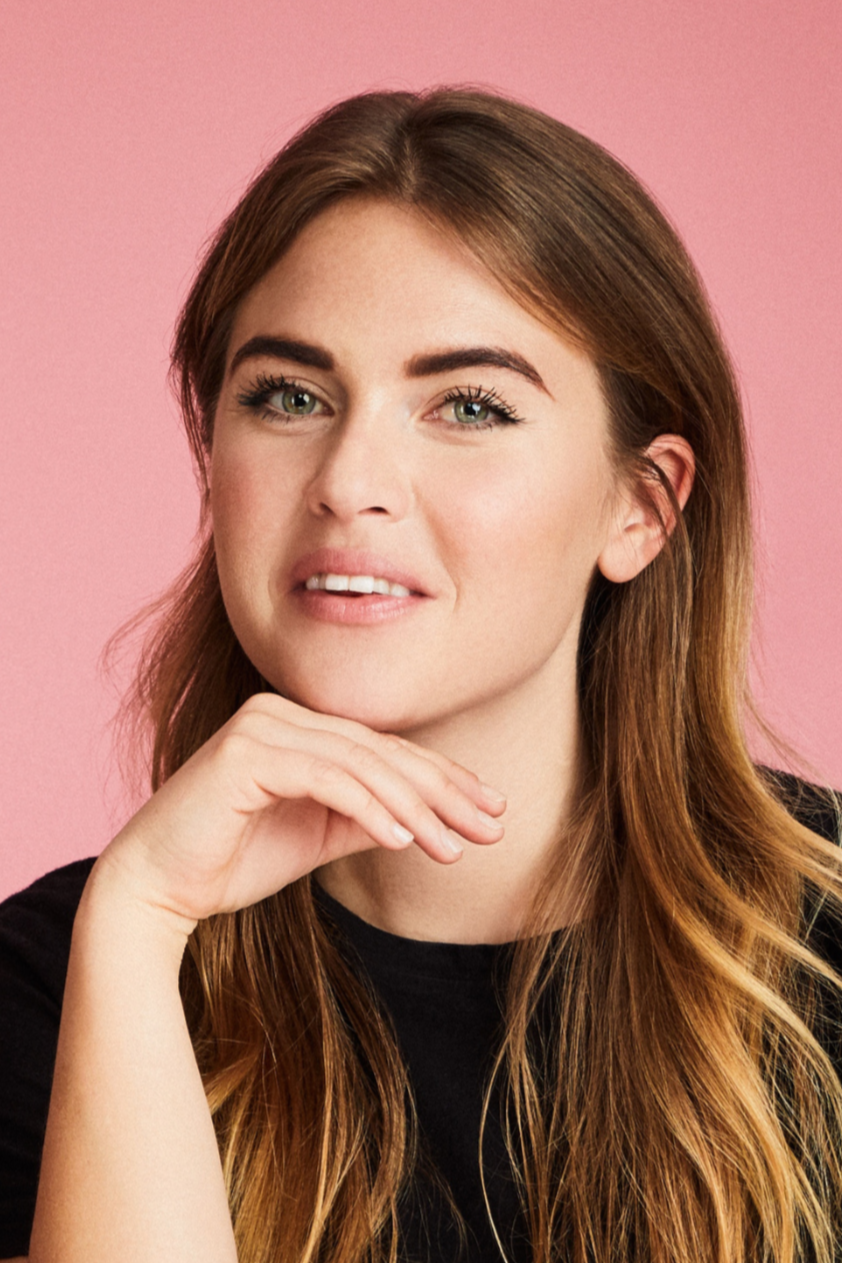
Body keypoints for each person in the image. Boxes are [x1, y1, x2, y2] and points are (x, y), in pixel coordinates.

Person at [1, 86, 841, 1263]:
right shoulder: (66, 972)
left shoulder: (828, 942)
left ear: (640, 508)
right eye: (288, 396)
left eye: (468, 406)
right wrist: (139, 931)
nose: (349, 477)